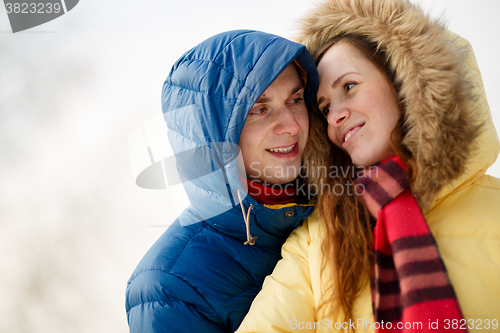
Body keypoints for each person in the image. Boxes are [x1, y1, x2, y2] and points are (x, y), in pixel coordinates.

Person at [236, 0, 500, 332]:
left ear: (405, 81)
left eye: (348, 87)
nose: (334, 116)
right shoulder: (317, 238)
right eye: (324, 107)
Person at [125, 30, 319, 333]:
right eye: (260, 109)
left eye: (295, 99)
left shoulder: (339, 208)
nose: (292, 125)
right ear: (213, 135)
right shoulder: (170, 287)